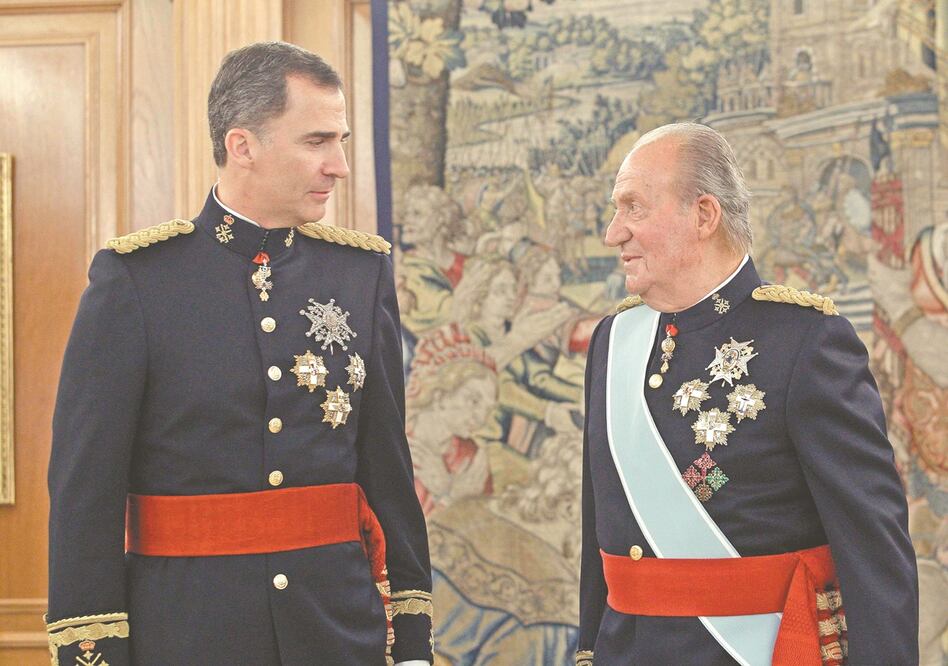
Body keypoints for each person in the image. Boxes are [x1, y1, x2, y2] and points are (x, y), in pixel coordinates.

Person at [47, 42, 432, 666]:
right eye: (316, 141)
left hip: (339, 632)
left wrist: (411, 638)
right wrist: (92, 649)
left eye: (341, 141)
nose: (339, 165)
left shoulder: (359, 274)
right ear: (242, 145)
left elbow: (387, 468)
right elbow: (84, 491)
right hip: (186, 634)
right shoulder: (137, 280)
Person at [577, 122, 918, 665]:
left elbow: (873, 550)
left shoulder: (804, 342)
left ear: (704, 215)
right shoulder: (614, 341)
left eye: (633, 208)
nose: (613, 233)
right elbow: (601, 534)